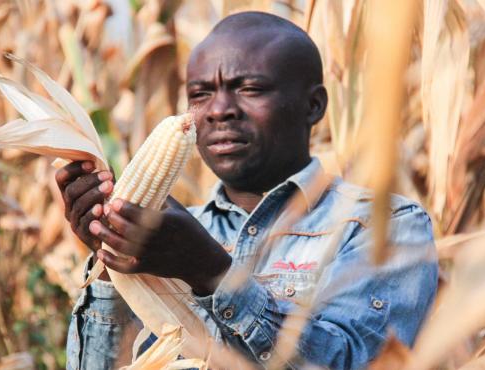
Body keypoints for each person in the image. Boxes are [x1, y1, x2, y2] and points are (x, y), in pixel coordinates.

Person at [56, 11, 438, 370]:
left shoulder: (384, 227)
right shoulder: (168, 237)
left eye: (250, 88)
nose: (219, 110)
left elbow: (352, 360)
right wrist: (110, 263)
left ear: (314, 105)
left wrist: (213, 274)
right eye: (201, 94)